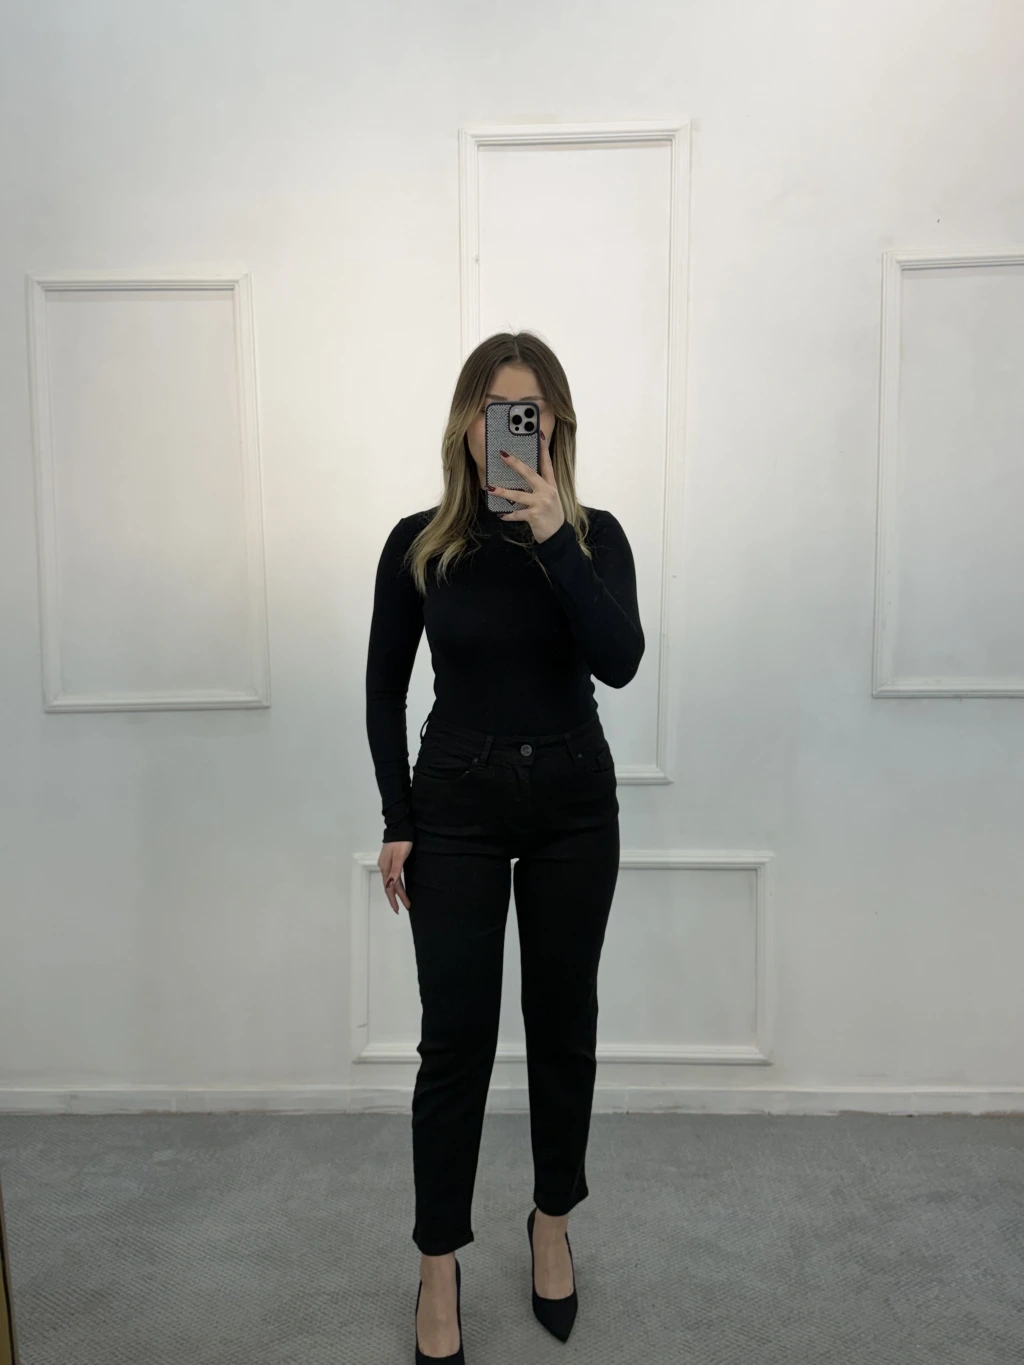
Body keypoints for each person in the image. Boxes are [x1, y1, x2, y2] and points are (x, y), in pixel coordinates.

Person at [365, 331, 644, 1361]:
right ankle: (437, 1264)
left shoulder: (597, 537)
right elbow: (383, 688)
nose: (508, 433)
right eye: (493, 414)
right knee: (456, 1042)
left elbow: (620, 660)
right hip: (457, 803)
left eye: (528, 412)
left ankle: (552, 1222)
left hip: (574, 801)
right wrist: (397, 818)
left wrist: (557, 537)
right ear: (467, 425)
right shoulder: (421, 543)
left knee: (564, 1025)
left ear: (555, 423)